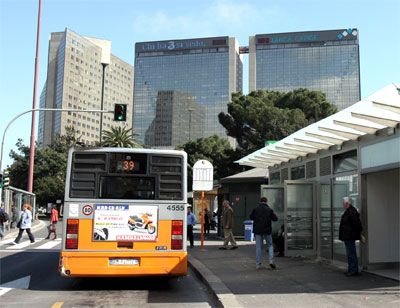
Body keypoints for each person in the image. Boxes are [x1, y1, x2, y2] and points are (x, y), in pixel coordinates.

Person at [250, 197, 278, 269]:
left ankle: (258, 264)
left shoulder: (255, 209)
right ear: (266, 202)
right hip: (267, 230)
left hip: (258, 231)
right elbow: (275, 219)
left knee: (258, 247)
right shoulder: (269, 210)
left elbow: (251, 217)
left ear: (260, 201)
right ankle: (271, 261)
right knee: (270, 245)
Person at [339, 196, 362, 277]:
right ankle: (351, 269)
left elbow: (357, 224)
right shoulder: (349, 211)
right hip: (348, 236)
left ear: (347, 203)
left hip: (349, 236)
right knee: (350, 253)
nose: (342, 205)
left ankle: (353, 270)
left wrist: (357, 233)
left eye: (343, 203)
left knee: (351, 253)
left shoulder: (351, 211)